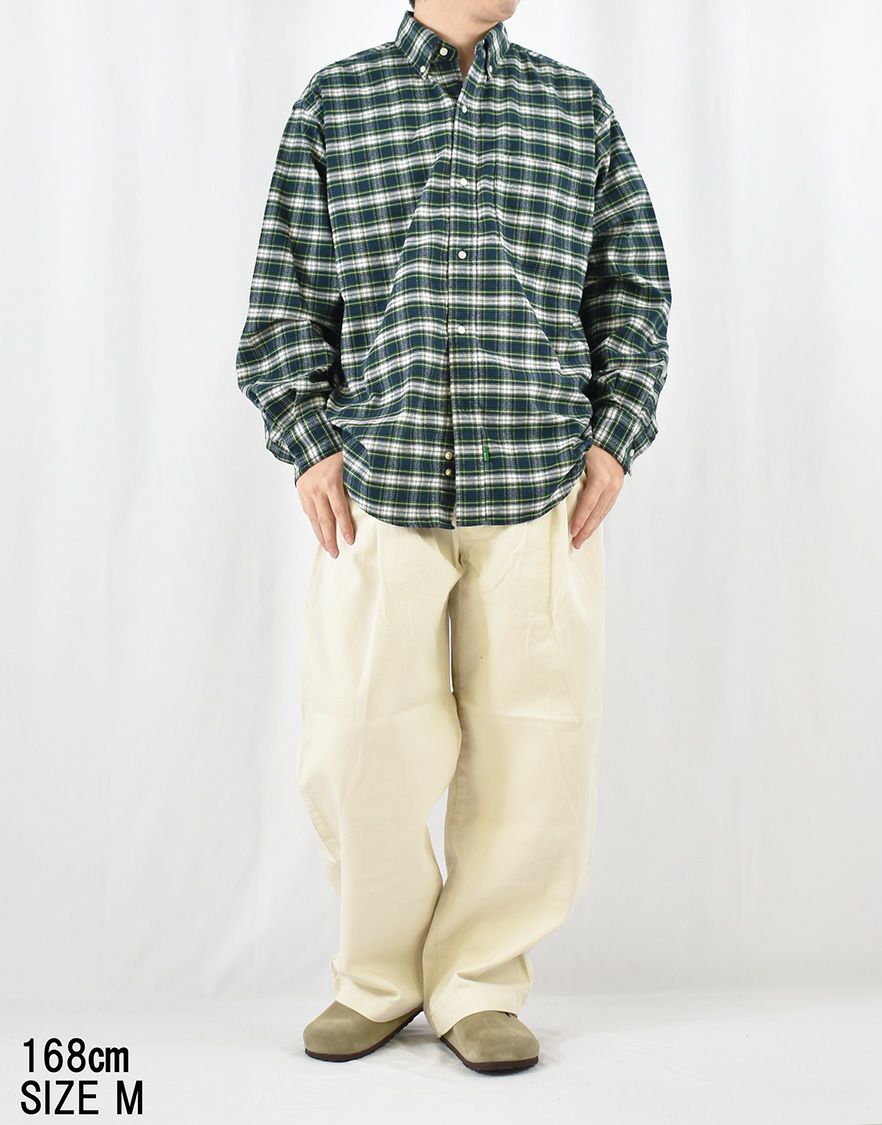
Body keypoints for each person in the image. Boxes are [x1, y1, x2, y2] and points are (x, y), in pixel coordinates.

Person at [236, 0, 670, 1075]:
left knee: (535, 746)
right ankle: (377, 980)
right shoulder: (338, 104)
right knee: (357, 742)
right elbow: (285, 298)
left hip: (541, 488)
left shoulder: (572, 108)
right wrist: (310, 444)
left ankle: (479, 982)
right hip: (377, 489)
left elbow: (633, 288)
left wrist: (614, 438)